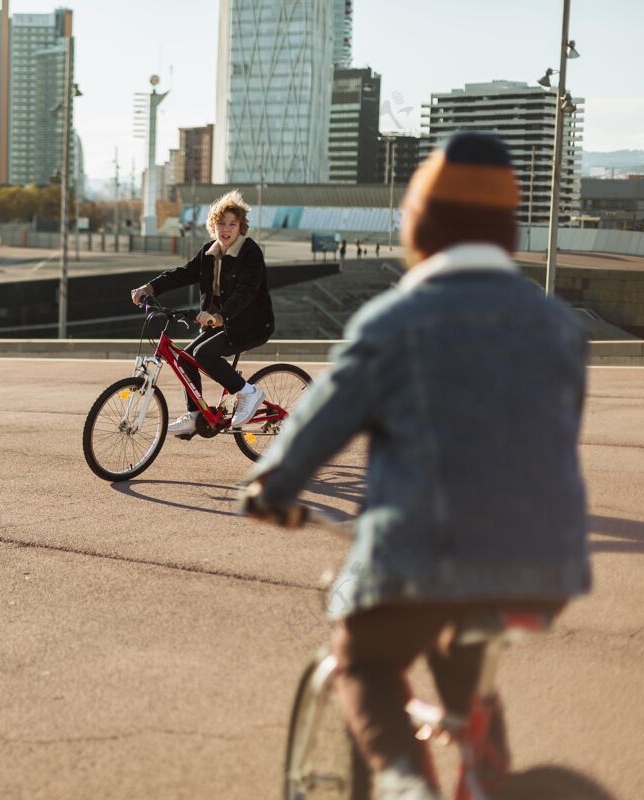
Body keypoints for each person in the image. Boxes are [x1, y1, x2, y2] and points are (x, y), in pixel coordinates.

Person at [240, 133, 589, 800]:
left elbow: (315, 427)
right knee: (469, 680)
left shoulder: (394, 321)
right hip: (544, 567)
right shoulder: (558, 326)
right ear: (508, 230)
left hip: (418, 558)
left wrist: (271, 486)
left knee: (363, 662)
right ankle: (489, 775)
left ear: (420, 226)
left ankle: (406, 787)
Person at [130, 190, 275, 436]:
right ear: (213, 226)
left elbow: (245, 293)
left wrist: (219, 316)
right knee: (185, 358)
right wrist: (149, 288)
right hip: (220, 323)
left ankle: (249, 393)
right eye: (221, 223)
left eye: (232, 224)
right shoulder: (209, 252)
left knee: (204, 353)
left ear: (241, 227)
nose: (226, 229)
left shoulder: (250, 252)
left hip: (250, 324)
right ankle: (195, 415)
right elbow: (183, 273)